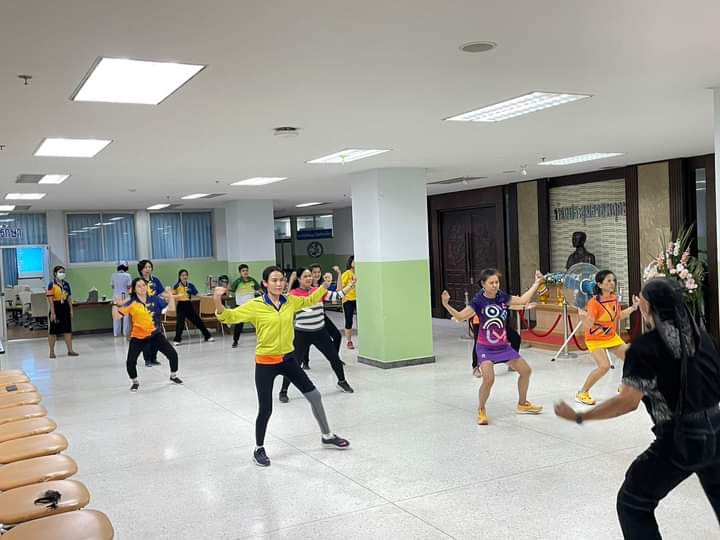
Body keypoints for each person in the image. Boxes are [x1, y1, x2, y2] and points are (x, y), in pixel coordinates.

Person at [554, 278, 720, 539]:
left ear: (647, 307)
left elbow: (627, 402)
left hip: (682, 438)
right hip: (717, 430)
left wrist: (580, 416)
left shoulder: (646, 347)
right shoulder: (703, 336)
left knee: (633, 503)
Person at [213, 265, 350, 467]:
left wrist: (325, 285)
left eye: (281, 280)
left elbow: (310, 300)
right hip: (265, 363)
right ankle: (259, 448)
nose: (279, 284)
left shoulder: (290, 301)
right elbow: (230, 316)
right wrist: (217, 300)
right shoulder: (256, 305)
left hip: (288, 359)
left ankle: (327, 436)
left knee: (314, 396)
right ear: (265, 283)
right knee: (266, 409)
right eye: (274, 280)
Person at [441, 268, 545, 425]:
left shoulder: (502, 296)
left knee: (526, 371)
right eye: (491, 283)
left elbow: (523, 300)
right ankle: (481, 409)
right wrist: (446, 304)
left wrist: (537, 283)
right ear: (483, 284)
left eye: (497, 282)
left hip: (503, 346)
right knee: (489, 379)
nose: (495, 285)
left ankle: (522, 404)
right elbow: (461, 316)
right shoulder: (478, 301)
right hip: (485, 347)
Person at [278, 267, 357, 403]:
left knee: (334, 358)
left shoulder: (318, 290)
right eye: (305, 276)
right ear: (299, 279)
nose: (309, 278)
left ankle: (342, 381)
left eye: (310, 276)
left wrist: (351, 285)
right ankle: (283, 390)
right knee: (294, 363)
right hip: (302, 334)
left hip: (320, 332)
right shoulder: (293, 294)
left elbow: (337, 296)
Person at [575, 270, 639, 406]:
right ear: (599, 284)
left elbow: (618, 316)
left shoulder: (614, 298)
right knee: (604, 366)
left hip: (611, 336)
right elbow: (589, 325)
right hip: (595, 338)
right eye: (608, 281)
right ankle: (582, 393)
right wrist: (582, 317)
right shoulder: (593, 303)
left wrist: (634, 307)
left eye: (613, 280)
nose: (612, 283)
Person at [112, 278, 183, 392]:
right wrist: (115, 304)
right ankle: (135, 382)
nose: (142, 288)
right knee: (130, 362)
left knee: (173, 354)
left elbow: (171, 309)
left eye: (144, 285)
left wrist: (170, 295)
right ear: (134, 289)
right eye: (139, 286)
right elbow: (116, 317)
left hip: (155, 334)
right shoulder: (131, 303)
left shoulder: (155, 299)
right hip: (138, 336)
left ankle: (173, 376)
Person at [471, 302, 535, 377]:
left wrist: (524, 306)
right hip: (482, 323)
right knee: (478, 343)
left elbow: (509, 305)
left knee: (515, 338)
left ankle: (512, 363)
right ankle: (475, 367)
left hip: (498, 322)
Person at [309, 263, 343, 361]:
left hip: (321, 315)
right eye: (314, 272)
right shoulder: (305, 286)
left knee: (337, 336)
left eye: (319, 272)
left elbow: (338, 291)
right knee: (306, 340)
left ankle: (335, 359)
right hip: (308, 316)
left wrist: (339, 274)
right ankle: (305, 362)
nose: (317, 274)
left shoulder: (323, 285)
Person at [172, 269, 214, 345]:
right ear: (179, 277)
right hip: (181, 306)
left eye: (186, 275)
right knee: (180, 323)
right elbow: (173, 296)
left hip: (188, 305)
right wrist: (178, 296)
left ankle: (207, 336)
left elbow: (197, 294)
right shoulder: (176, 286)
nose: (184, 277)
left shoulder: (190, 285)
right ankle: (177, 340)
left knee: (198, 321)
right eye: (183, 275)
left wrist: (206, 297)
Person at [46, 265, 78, 359]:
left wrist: (71, 309)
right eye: (60, 272)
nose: (62, 274)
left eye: (63, 272)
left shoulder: (66, 284)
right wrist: (53, 312)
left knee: (67, 330)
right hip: (56, 307)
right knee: (53, 331)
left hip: (65, 307)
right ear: (55, 273)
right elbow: (50, 299)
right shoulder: (51, 284)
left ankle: (70, 350)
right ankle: (52, 352)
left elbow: (69, 298)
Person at [137, 260, 164, 367]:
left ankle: (154, 358)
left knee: (156, 336)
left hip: (155, 312)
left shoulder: (156, 280)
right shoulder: (138, 282)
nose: (148, 269)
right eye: (145, 267)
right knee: (146, 337)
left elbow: (162, 293)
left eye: (149, 267)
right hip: (144, 313)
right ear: (141, 270)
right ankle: (147, 359)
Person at [229, 264, 261, 348]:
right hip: (240, 306)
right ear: (240, 272)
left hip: (251, 306)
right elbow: (231, 290)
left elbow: (259, 289)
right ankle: (235, 341)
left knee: (258, 323)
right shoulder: (237, 281)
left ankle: (262, 339)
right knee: (239, 324)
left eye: (246, 270)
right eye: (243, 271)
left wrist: (259, 292)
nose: (245, 272)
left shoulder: (252, 280)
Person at [110, 261, 132, 338]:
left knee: (116, 314)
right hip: (125, 296)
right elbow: (129, 286)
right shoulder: (128, 275)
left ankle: (116, 333)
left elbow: (112, 286)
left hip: (116, 296)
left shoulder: (113, 275)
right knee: (126, 315)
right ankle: (126, 332)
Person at [341, 255, 357, 349]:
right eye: (354, 261)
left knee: (362, 320)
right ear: (351, 263)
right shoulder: (346, 274)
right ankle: (349, 341)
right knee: (349, 320)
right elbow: (341, 288)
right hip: (348, 300)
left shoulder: (360, 272)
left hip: (358, 299)